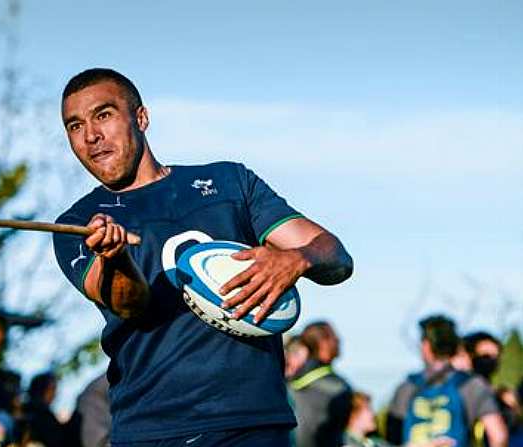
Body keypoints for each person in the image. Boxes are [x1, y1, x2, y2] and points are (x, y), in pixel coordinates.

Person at [52, 68, 354, 447]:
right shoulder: (77, 225)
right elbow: (129, 304)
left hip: (255, 424)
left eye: (104, 115)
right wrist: (115, 258)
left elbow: (336, 255)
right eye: (74, 126)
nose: (91, 136)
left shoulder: (230, 182)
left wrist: (296, 259)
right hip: (154, 430)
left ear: (141, 118)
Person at [386, 315, 508, 447]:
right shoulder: (471, 385)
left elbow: (391, 439)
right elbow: (498, 436)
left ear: (426, 346)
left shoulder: (407, 388)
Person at [290, 321, 353, 447]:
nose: (339, 340)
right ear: (323, 343)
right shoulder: (338, 388)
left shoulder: (288, 380)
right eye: (334, 337)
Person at [342, 391, 454, 447]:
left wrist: (431, 444)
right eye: (367, 409)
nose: (372, 414)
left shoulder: (370, 442)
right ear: (353, 414)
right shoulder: (344, 442)